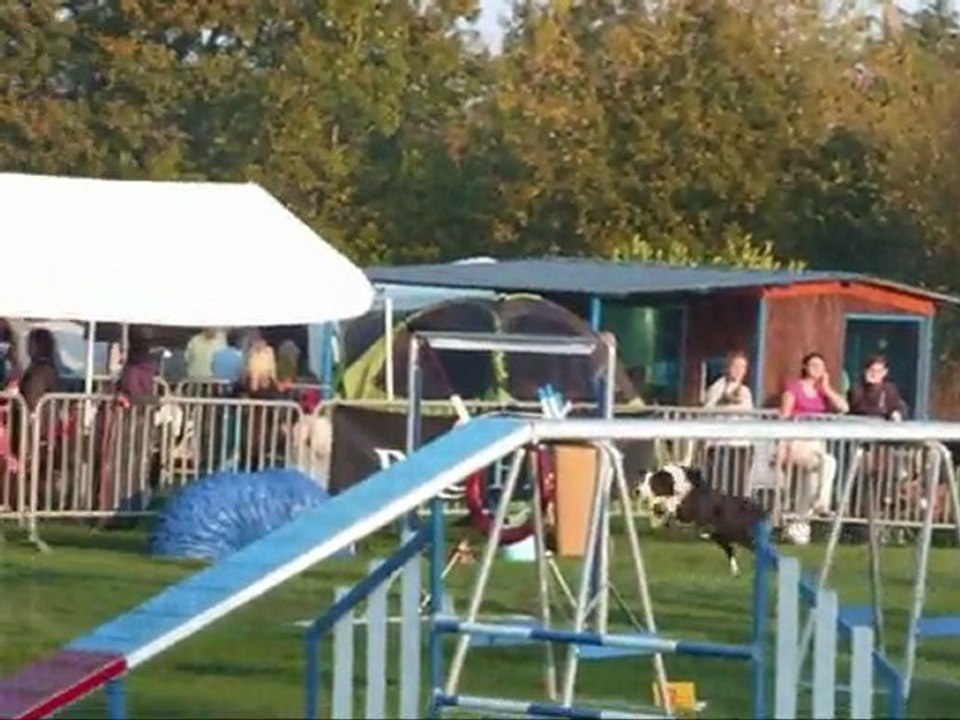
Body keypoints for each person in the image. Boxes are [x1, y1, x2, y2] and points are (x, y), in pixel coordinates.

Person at [778, 352, 848, 520]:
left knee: (813, 483)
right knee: (828, 462)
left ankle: (800, 525)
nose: (816, 369)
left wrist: (827, 388)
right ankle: (822, 503)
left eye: (820, 366)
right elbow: (783, 418)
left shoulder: (821, 393)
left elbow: (844, 407)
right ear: (805, 367)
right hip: (798, 441)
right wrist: (782, 447)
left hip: (817, 442)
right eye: (813, 365)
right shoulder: (793, 388)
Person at [848, 354, 908, 420]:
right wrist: (870, 386)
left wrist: (897, 414)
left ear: (885, 372)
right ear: (866, 371)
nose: (875, 374)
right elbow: (855, 406)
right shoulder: (858, 387)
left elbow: (898, 407)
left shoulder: (889, 389)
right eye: (872, 370)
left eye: (879, 371)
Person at [20, 328, 61, 412]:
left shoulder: (41, 371)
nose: (27, 348)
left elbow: (34, 398)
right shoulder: (49, 369)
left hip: (38, 418)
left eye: (30, 344)